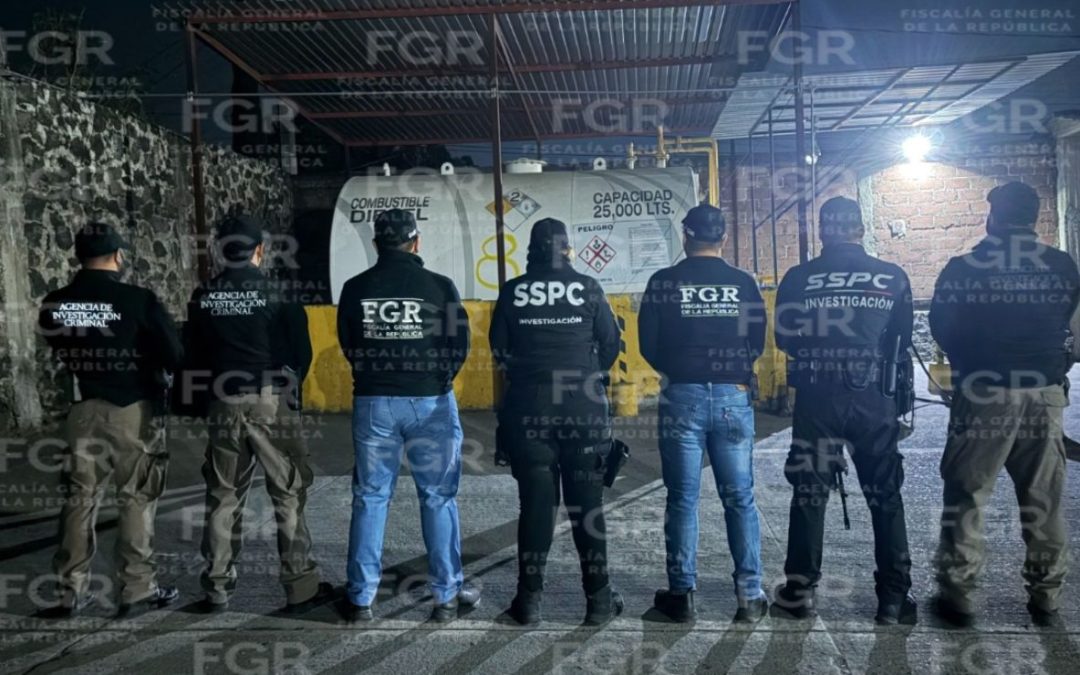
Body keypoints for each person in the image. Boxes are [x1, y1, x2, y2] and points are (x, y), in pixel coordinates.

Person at [929, 181, 1080, 628]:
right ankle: (1046, 597)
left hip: (985, 393)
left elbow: (942, 327)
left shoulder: (964, 267)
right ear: (1032, 219)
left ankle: (959, 594)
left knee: (968, 494)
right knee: (1043, 498)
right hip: (1045, 393)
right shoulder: (1061, 265)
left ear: (992, 217)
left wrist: (969, 364)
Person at [773, 197, 917, 625]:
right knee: (885, 495)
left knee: (809, 493)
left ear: (823, 231)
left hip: (818, 397)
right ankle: (893, 599)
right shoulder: (892, 276)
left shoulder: (799, 278)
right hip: (874, 396)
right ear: (861, 229)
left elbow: (784, 338)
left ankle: (799, 592)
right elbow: (902, 338)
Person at [184, 214, 332, 614]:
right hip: (269, 401)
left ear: (221, 250)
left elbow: (192, 355)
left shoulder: (203, 296)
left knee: (223, 494)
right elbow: (300, 354)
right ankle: (300, 586)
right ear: (260, 250)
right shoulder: (278, 293)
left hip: (222, 401)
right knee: (287, 492)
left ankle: (217, 587)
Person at [336, 208, 476, 622]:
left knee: (370, 497)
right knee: (437, 497)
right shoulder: (439, 286)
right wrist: (437, 379)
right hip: (430, 400)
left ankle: (361, 598)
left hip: (374, 402)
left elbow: (348, 343)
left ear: (376, 244)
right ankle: (446, 595)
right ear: (416, 242)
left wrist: (374, 376)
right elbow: (459, 343)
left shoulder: (355, 288)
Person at [38, 222, 182, 618]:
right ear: (118, 255)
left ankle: (69, 592)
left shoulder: (55, 302)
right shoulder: (137, 300)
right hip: (133, 410)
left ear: (78, 256)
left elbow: (56, 342)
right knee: (135, 496)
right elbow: (173, 353)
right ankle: (137, 588)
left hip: (81, 408)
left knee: (79, 499)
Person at [637, 204, 768, 623]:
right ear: (724, 238)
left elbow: (648, 344)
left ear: (685, 237)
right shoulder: (743, 283)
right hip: (733, 395)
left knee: (682, 498)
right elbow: (756, 341)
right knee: (740, 497)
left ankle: (682, 595)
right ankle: (750, 595)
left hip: (682, 395)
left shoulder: (663, 281)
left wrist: (680, 371)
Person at [489, 217, 623, 626]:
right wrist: (585, 376)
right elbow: (610, 344)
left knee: (535, 506)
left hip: (529, 409)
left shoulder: (513, 291)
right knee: (587, 506)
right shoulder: (588, 287)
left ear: (531, 250)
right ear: (567, 249)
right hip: (582, 407)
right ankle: (599, 601)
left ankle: (528, 601)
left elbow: (500, 352)